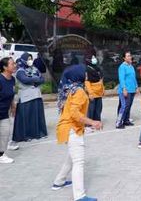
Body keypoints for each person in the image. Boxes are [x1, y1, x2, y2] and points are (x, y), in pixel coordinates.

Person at [52, 64, 103, 201]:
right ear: (78, 75)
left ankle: (59, 181)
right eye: (84, 73)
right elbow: (75, 113)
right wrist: (93, 122)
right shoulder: (78, 91)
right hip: (72, 129)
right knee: (79, 161)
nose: (86, 75)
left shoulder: (70, 88)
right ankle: (79, 196)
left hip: (68, 128)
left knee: (71, 157)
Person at [12, 52, 47, 143]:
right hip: (26, 96)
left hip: (36, 95)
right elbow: (24, 80)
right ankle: (26, 135)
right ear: (23, 60)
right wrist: (36, 79)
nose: (30, 61)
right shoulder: (20, 71)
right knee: (27, 116)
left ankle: (38, 133)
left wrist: (34, 79)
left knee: (36, 115)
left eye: (31, 59)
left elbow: (42, 79)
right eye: (28, 59)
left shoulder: (35, 68)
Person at [116, 51, 139, 129]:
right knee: (124, 106)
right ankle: (118, 122)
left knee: (128, 106)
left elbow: (133, 78)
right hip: (125, 90)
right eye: (128, 56)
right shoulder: (122, 67)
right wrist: (124, 89)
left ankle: (126, 120)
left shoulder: (131, 66)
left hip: (132, 90)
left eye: (130, 55)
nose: (130, 57)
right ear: (124, 58)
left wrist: (136, 87)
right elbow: (121, 79)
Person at [0, 57, 16, 164]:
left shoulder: (12, 79)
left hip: (4, 111)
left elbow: (12, 93)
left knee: (5, 131)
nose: (14, 65)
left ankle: (1, 154)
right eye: (12, 64)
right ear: (5, 67)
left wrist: (13, 105)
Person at [84, 53, 104, 132]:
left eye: (94, 57)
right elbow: (87, 82)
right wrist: (90, 93)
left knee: (98, 109)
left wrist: (103, 89)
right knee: (91, 109)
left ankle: (97, 122)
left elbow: (101, 80)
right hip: (92, 93)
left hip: (99, 92)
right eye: (92, 58)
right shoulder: (87, 70)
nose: (94, 59)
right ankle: (89, 124)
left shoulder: (97, 68)